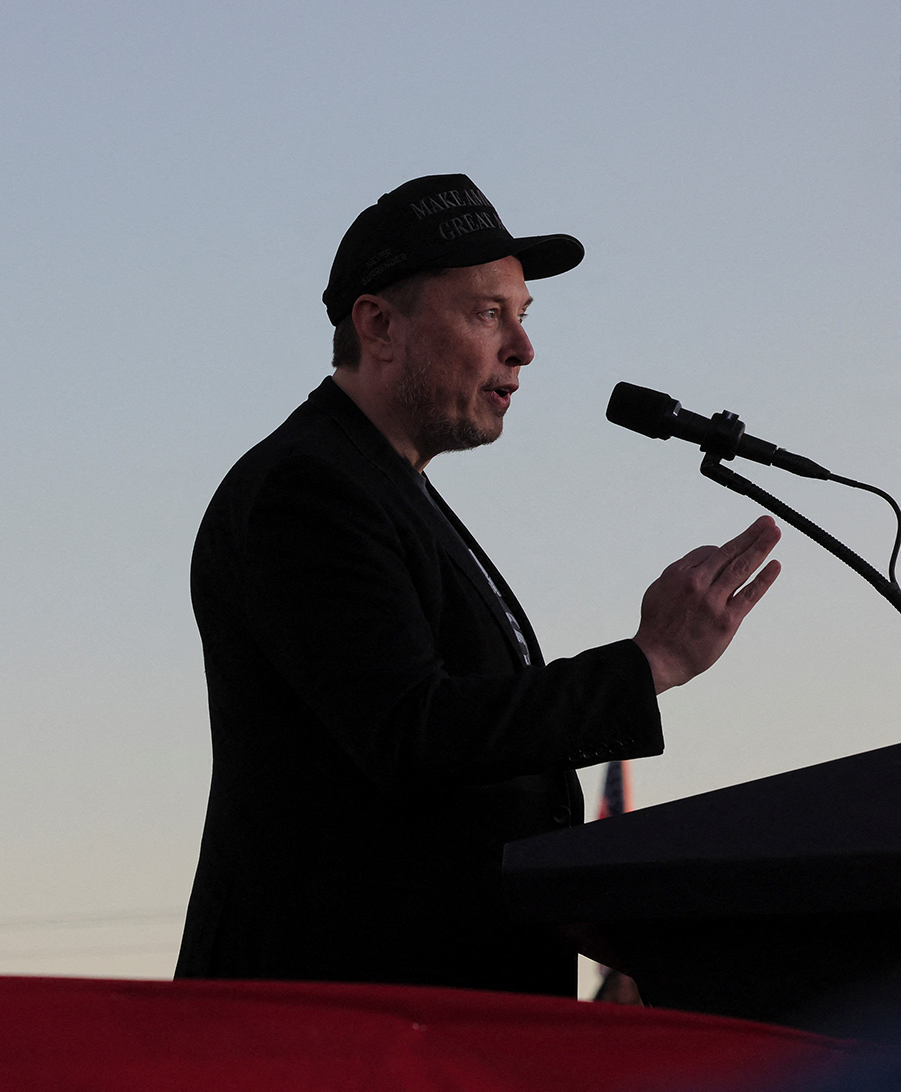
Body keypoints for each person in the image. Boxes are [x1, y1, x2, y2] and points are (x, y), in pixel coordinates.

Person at [173, 173, 780, 997]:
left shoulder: (386, 488)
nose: (524, 349)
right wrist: (647, 664)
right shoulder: (307, 489)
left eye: (523, 317)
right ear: (378, 325)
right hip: (340, 1021)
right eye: (487, 313)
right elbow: (412, 731)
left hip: (423, 1016)